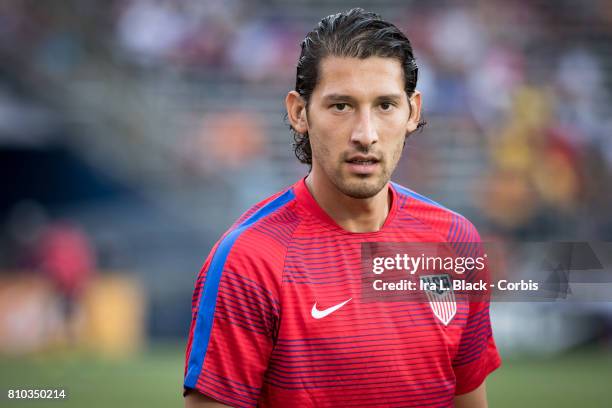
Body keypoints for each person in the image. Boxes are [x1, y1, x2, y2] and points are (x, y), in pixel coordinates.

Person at [184, 8, 501, 407]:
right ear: (300, 112)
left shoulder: (456, 241)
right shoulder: (249, 261)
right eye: (341, 106)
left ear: (413, 112)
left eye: (385, 105)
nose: (365, 134)